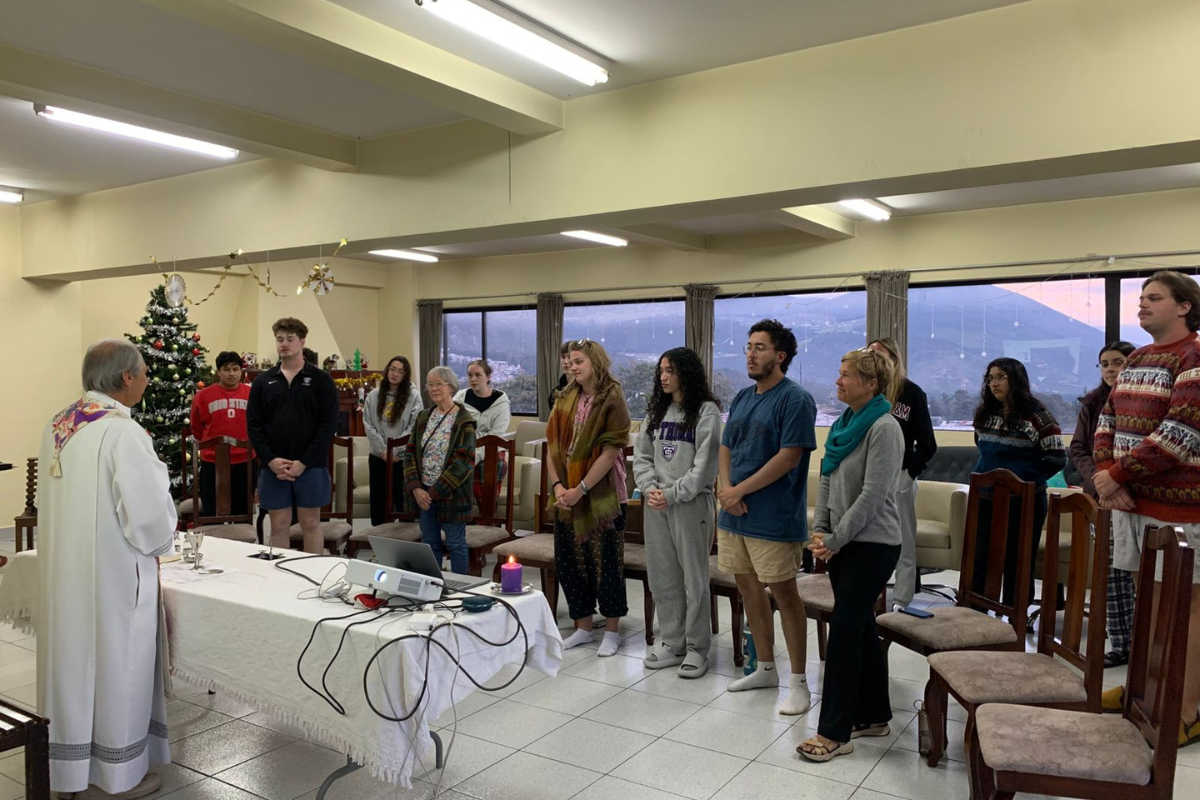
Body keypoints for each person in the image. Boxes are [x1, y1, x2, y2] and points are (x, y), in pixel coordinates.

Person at [37, 339, 176, 798]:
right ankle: (118, 778)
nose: (147, 380)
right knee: (120, 665)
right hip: (114, 577)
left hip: (65, 574)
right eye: (143, 372)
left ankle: (71, 774)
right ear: (125, 379)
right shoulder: (121, 432)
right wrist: (162, 539)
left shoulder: (59, 425)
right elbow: (151, 520)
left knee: (73, 667)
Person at [1094, 271, 1200, 746]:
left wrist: (1114, 476)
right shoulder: (1137, 357)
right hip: (1131, 504)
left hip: (1179, 510)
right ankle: (1144, 693)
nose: (1141, 304)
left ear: (1184, 306)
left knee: (1186, 612)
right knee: (1147, 609)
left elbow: (1181, 434)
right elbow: (1107, 419)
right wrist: (1106, 476)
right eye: (1140, 297)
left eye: (1154, 298)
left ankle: (1186, 710)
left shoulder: (1195, 357)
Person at [798, 348, 904, 762]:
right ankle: (875, 716)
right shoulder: (843, 422)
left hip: (874, 545)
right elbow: (826, 477)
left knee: (842, 633)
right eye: (839, 374)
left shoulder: (884, 427)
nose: (838, 381)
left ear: (871, 384)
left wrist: (836, 538)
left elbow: (874, 495)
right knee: (859, 626)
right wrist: (821, 529)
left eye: (846, 376)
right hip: (843, 542)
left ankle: (834, 732)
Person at [717, 319, 817, 715]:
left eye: (759, 347)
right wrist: (727, 491)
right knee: (748, 589)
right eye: (748, 346)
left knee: (785, 596)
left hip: (772, 517)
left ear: (781, 355)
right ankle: (765, 667)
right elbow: (726, 448)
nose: (751, 354)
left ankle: (799, 683)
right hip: (734, 513)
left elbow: (788, 456)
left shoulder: (795, 399)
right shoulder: (742, 397)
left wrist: (740, 491)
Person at [633, 347, 722, 678]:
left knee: (693, 578)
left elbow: (704, 468)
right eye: (661, 371)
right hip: (656, 504)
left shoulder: (706, 412)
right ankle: (672, 641)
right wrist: (650, 487)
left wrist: (672, 494)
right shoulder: (657, 410)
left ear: (687, 372)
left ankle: (698, 647)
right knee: (663, 574)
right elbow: (641, 456)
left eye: (670, 370)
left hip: (690, 505)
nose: (664, 376)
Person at [546, 339, 632, 658]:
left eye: (579, 361)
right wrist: (558, 487)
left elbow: (611, 451)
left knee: (606, 564)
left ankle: (611, 631)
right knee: (569, 562)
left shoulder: (613, 396)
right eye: (569, 361)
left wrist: (580, 489)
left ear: (595, 362)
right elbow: (553, 445)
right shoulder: (565, 395)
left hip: (602, 495)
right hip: (566, 493)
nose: (572, 366)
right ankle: (582, 626)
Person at [972, 357, 1067, 606]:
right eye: (990, 378)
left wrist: (1023, 479)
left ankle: (1015, 619)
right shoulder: (986, 413)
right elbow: (983, 448)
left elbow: (1056, 458)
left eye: (1001, 377)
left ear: (1017, 379)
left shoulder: (1038, 416)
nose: (994, 383)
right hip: (985, 497)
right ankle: (975, 613)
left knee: (1018, 560)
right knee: (980, 557)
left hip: (1024, 500)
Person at [1069, 340, 1136, 668]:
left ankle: (1147, 645)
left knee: (1140, 572)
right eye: (1105, 363)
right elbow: (1079, 449)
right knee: (1110, 575)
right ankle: (1120, 643)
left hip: (1137, 499)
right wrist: (1101, 480)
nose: (1111, 369)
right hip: (1101, 499)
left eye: (1118, 362)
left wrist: (1118, 482)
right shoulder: (1092, 403)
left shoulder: (1144, 399)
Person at [247, 318, 339, 554]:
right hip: (273, 467)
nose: (284, 344)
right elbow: (254, 426)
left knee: (310, 523)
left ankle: (313, 578)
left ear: (302, 341)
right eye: (280, 339)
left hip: (311, 465)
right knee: (278, 525)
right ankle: (280, 581)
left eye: (290, 339)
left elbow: (327, 426)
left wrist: (303, 462)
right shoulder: (263, 381)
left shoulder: (321, 380)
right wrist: (270, 460)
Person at [868, 337, 936, 610]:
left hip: (900, 475)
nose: (874, 359)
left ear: (894, 359)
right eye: (869, 354)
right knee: (869, 540)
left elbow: (928, 444)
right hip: (869, 475)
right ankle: (871, 594)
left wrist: (909, 474)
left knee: (903, 540)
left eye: (879, 354)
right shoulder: (867, 391)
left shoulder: (911, 393)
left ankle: (902, 600)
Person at [403, 366, 477, 575]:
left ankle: (461, 590)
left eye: (439, 384)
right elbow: (410, 453)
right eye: (430, 384)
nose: (434, 388)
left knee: (455, 543)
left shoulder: (465, 421)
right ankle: (433, 588)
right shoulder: (423, 417)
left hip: (451, 494)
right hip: (423, 493)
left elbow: (464, 463)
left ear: (451, 387)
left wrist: (433, 493)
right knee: (429, 542)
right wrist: (417, 488)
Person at [190, 350, 251, 517]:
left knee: (242, 511)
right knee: (212, 510)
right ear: (218, 371)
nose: (231, 374)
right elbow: (196, 428)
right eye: (226, 369)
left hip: (244, 461)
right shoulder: (203, 396)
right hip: (212, 462)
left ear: (241, 371)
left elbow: (259, 424)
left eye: (235, 369)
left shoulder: (251, 394)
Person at [363, 355, 422, 526]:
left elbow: (414, 426)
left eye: (400, 371)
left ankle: (406, 541)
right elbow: (368, 424)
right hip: (378, 456)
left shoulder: (414, 396)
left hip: (402, 458)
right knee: (378, 499)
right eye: (392, 369)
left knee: (403, 501)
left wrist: (393, 450)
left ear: (406, 375)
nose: (395, 374)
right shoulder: (374, 395)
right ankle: (379, 538)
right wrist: (383, 450)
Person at [454, 359, 513, 505]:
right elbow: (454, 428)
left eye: (478, 375)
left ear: (488, 376)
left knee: (487, 494)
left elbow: (495, 435)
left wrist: (474, 457)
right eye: (470, 375)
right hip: (464, 450)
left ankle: (489, 521)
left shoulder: (501, 401)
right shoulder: (460, 398)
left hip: (490, 452)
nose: (473, 379)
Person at [547, 342, 572, 411]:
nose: (566, 361)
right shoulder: (554, 394)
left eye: (570, 357)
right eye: (563, 357)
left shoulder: (586, 391)